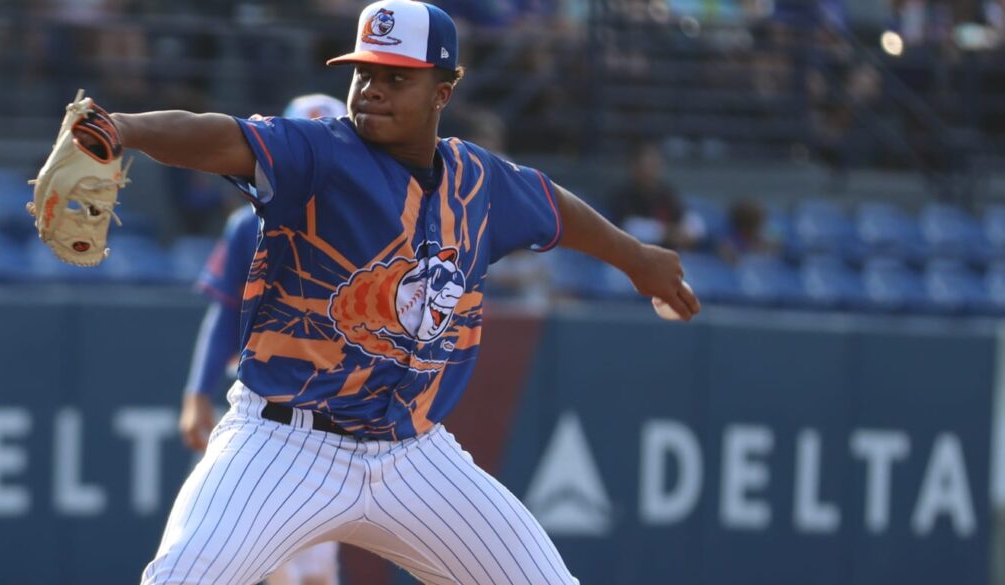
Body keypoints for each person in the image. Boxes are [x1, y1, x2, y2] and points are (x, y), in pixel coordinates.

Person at [95, 2, 697, 582]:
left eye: (396, 78)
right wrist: (123, 128)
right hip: (282, 444)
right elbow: (221, 136)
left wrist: (638, 258)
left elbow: (554, 208)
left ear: (443, 92)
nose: (372, 90)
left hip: (412, 455)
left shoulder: (478, 181)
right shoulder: (321, 152)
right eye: (364, 73)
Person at [178, 94, 348, 585]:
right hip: (257, 410)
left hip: (329, 417)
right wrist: (197, 392)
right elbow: (225, 312)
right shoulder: (247, 226)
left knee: (316, 569)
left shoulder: (368, 228)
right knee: (251, 558)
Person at [606, 141, 706, 251]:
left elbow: (689, 218)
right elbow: (628, 227)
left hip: (668, 254)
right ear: (634, 166)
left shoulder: (666, 193)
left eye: (655, 164)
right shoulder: (623, 196)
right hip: (635, 254)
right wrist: (666, 233)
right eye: (647, 164)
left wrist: (686, 232)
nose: (652, 170)